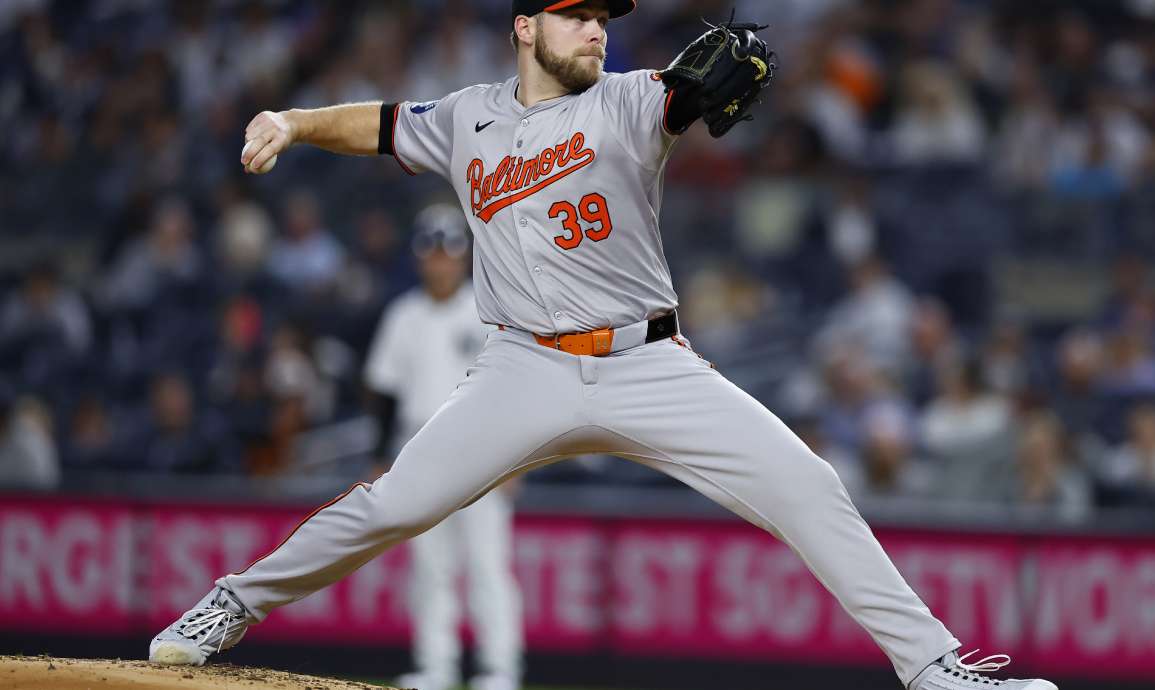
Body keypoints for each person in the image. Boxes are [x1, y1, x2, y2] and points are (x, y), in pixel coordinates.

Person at [149, 3, 1057, 689]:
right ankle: (233, 602)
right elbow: (384, 123)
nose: (596, 32)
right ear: (524, 29)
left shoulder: (628, 100)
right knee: (395, 504)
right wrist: (297, 124)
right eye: (577, 16)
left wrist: (704, 86)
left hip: (646, 362)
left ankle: (935, 669)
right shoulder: (466, 117)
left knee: (809, 485)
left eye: (603, 19)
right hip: (523, 368)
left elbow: (679, 96)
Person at [364, 204, 522, 690]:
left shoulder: (487, 311)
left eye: (448, 253)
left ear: (463, 258)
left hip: (481, 455)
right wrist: (379, 457)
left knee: (486, 565)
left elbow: (512, 390)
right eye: (432, 253)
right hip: (417, 452)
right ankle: (437, 666)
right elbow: (385, 393)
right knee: (430, 570)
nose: (440, 262)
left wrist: (518, 459)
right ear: (420, 258)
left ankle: (499, 668)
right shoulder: (403, 315)